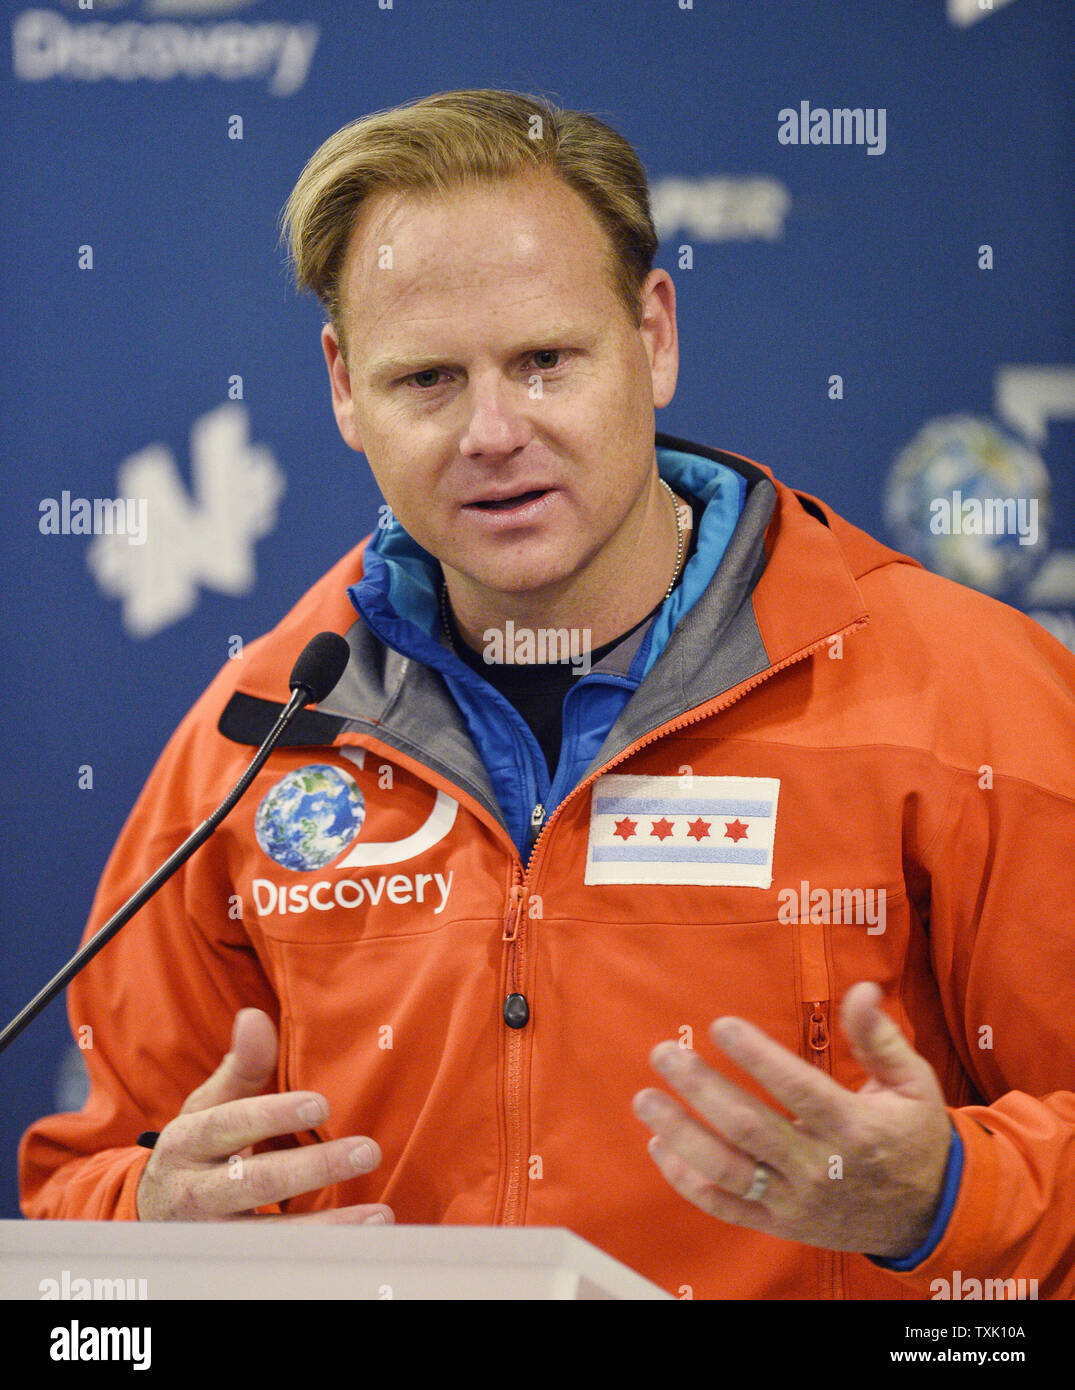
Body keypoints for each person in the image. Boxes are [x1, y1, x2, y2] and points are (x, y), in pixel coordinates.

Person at [20, 88, 1075, 1300]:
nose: (491, 431)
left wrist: (948, 1197)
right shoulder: (258, 735)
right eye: (425, 379)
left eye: (543, 360)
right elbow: (78, 1208)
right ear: (343, 389)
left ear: (655, 334)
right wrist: (148, 1221)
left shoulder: (965, 697)